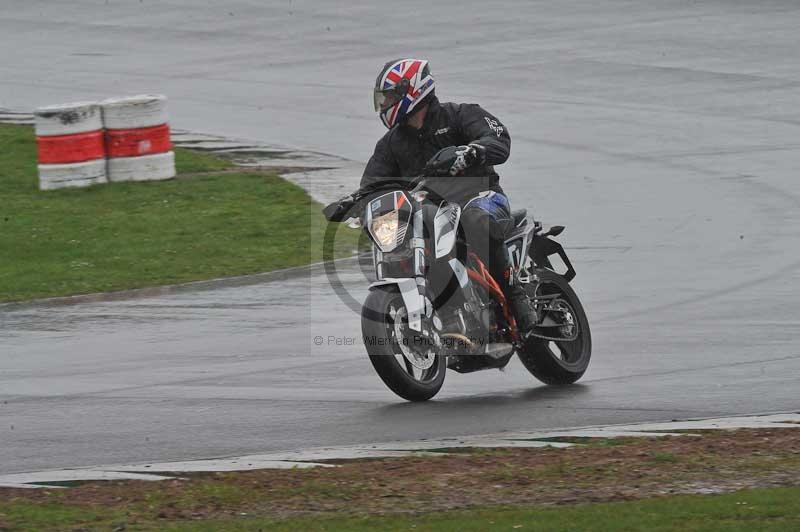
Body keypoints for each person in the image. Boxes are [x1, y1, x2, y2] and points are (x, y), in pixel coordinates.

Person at [361, 58, 537, 332]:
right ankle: (448, 313)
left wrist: (473, 151)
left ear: (412, 90)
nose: (383, 106)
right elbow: (371, 185)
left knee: (476, 219)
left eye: (388, 98)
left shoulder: (460, 115)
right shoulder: (390, 145)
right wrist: (357, 203)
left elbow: (499, 138)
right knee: (399, 244)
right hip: (430, 212)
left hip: (481, 196)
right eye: (381, 100)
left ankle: (516, 296)